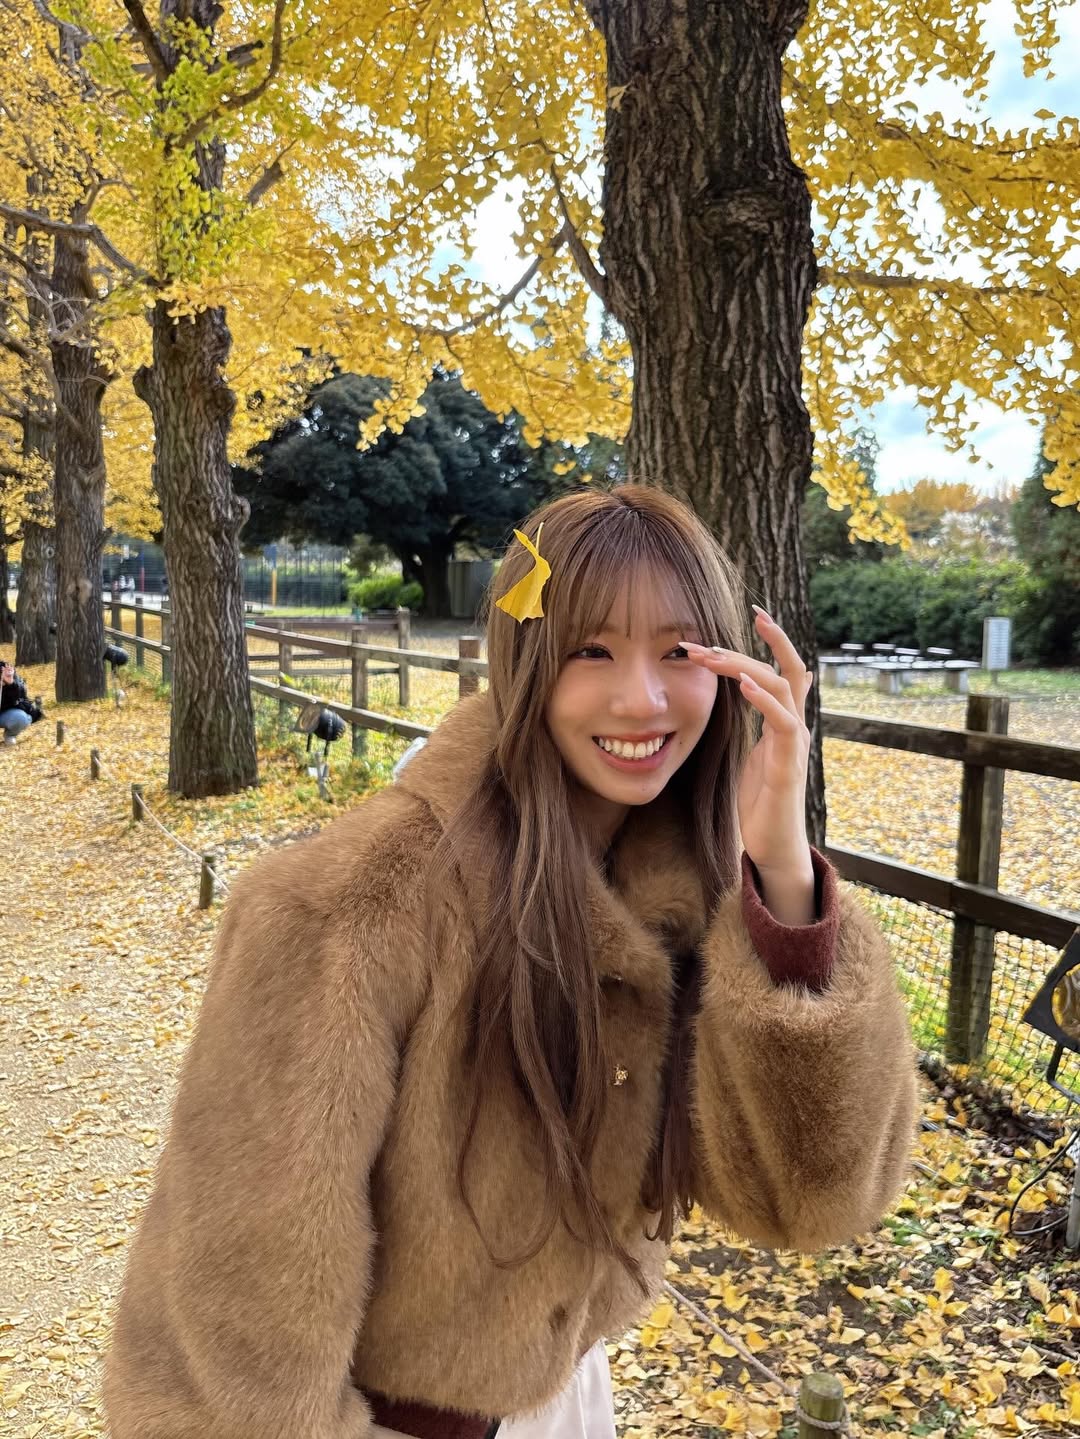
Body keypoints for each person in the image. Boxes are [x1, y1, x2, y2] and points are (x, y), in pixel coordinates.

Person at [103, 486, 919, 1439]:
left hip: (569, 1395)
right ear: (525, 660)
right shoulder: (348, 910)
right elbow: (233, 1312)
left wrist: (781, 872)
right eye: (591, 650)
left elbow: (809, 1201)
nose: (641, 698)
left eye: (679, 652)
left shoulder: (685, 895)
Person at [0, 659, 33, 746]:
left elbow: (21, 693)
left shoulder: (4, 667)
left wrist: (10, 683)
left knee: (20, 718)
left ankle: (10, 735)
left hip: (4, 712)